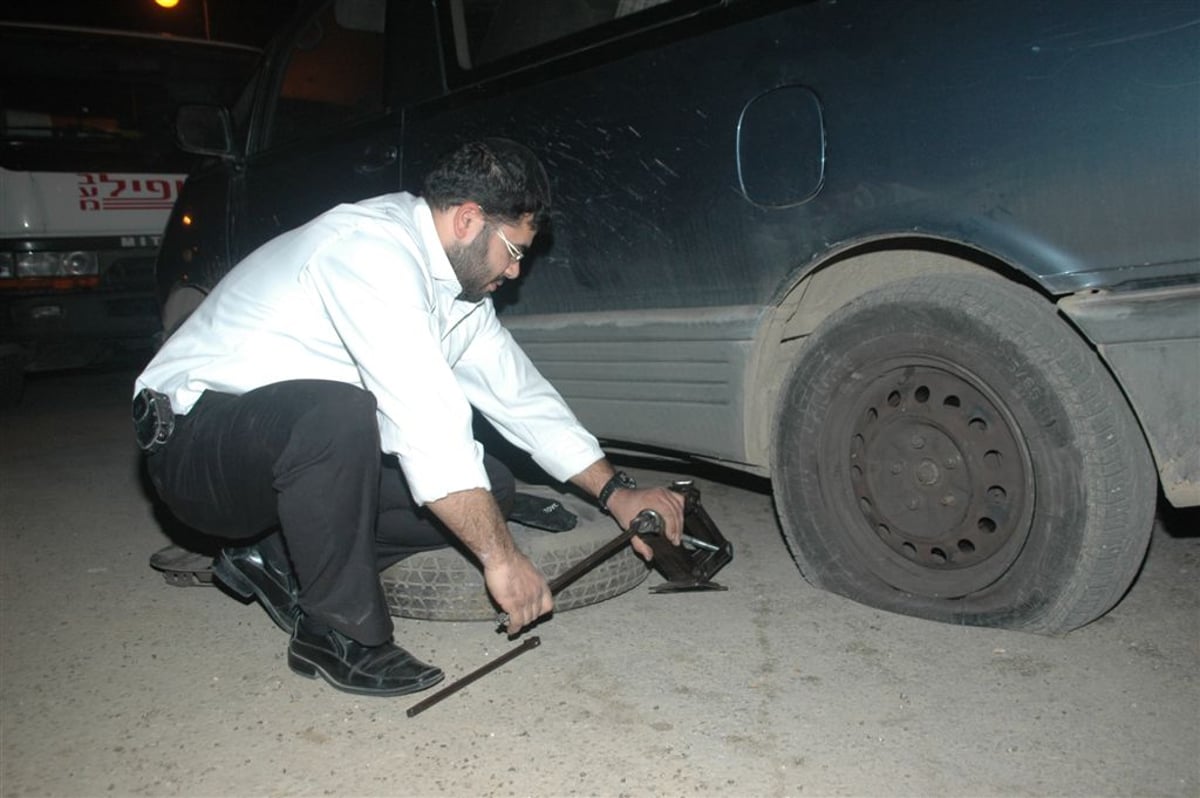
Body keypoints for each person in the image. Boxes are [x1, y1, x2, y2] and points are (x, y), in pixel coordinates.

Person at [133, 138, 686, 698]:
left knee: (488, 489)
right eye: (515, 251)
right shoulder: (370, 251)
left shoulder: (460, 296)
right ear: (469, 220)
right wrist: (502, 558)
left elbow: (522, 399)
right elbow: (423, 417)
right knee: (340, 414)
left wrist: (616, 492)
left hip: (284, 452)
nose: (517, 271)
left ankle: (271, 555)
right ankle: (335, 632)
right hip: (196, 445)